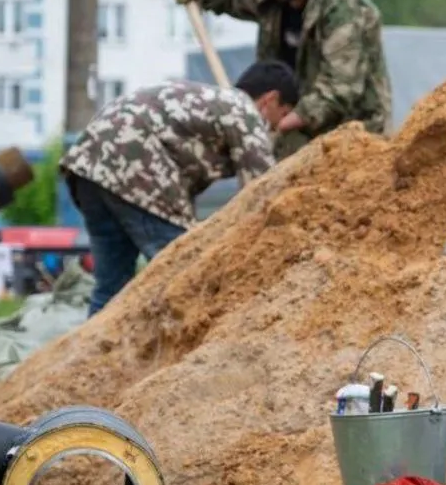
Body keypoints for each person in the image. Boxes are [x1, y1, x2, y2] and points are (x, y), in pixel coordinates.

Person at [59, 60, 300, 316]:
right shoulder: (244, 112)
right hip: (133, 168)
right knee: (187, 274)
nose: (277, 127)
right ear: (270, 100)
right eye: (283, 114)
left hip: (88, 165)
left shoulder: (212, 102)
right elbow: (263, 192)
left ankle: (97, 357)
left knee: (110, 290)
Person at [169, 0, 392, 160]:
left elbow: (339, 90)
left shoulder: (342, 2)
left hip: (355, 145)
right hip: (299, 142)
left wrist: (274, 126)